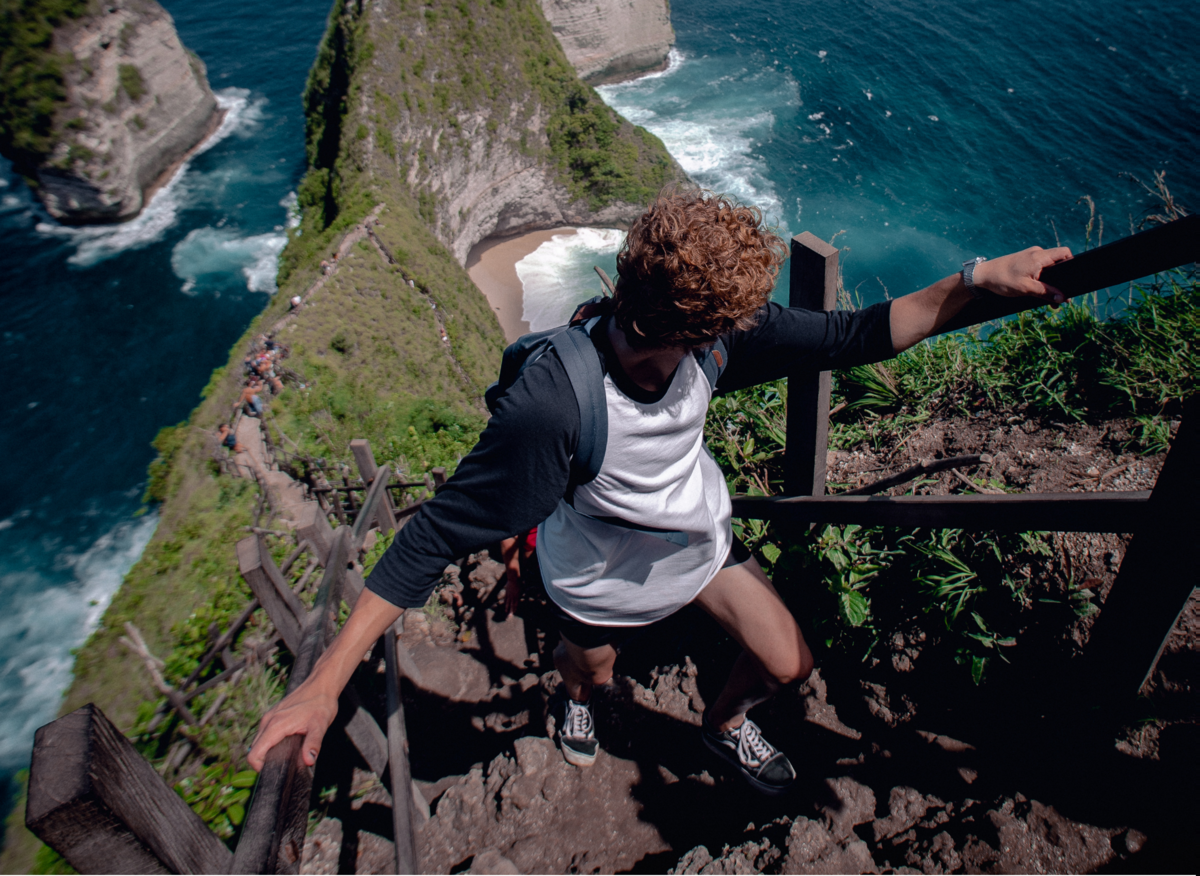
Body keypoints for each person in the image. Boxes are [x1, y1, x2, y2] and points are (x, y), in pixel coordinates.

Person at [249, 189, 1069, 794]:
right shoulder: (556, 405)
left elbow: (860, 335)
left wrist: (978, 278)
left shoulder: (715, 341)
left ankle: (721, 724)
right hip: (597, 579)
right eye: (729, 321)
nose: (748, 326)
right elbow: (430, 540)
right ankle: (577, 700)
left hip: (701, 547)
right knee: (591, 676)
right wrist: (323, 686)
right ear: (688, 323)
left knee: (788, 662)